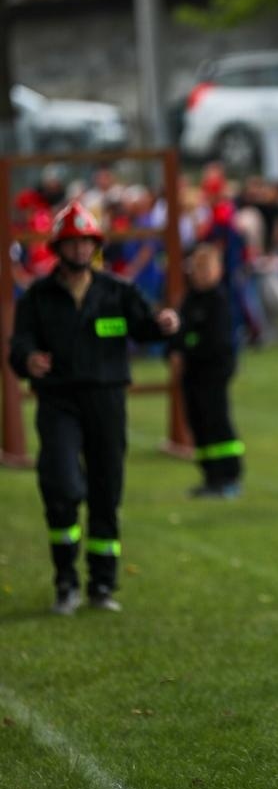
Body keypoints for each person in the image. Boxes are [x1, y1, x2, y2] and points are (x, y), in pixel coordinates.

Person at [8, 201, 179, 615]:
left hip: (107, 400)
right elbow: (19, 345)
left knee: (106, 491)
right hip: (58, 402)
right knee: (62, 488)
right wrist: (28, 359)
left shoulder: (117, 291)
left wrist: (164, 324)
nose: (81, 249)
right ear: (58, 247)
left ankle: (102, 584)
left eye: (88, 242)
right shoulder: (38, 297)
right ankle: (65, 581)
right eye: (73, 242)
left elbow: (146, 326)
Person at [171, 243, 244, 499]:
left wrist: (188, 347)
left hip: (213, 373)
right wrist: (175, 350)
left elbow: (214, 340)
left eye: (206, 269)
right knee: (198, 424)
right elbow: (180, 332)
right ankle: (210, 476)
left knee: (217, 423)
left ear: (217, 271)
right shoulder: (190, 299)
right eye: (197, 269)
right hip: (193, 374)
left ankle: (229, 476)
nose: (200, 274)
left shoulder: (218, 301)